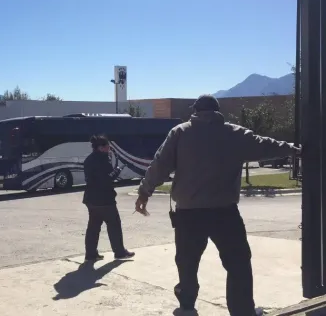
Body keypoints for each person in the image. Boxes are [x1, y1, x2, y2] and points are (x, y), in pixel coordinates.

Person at [135, 95, 300, 316]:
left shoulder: (180, 132)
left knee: (187, 263)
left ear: (195, 110)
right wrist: (294, 148)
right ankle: (242, 310)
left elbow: (160, 165)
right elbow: (266, 145)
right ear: (218, 111)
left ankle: (186, 308)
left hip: (188, 214)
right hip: (225, 213)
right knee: (238, 263)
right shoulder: (234, 133)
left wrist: (144, 191)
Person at [83, 134, 135, 261]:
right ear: (101, 148)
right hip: (105, 199)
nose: (109, 148)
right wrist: (116, 171)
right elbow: (107, 179)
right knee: (114, 225)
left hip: (91, 199)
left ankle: (91, 254)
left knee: (93, 227)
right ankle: (119, 252)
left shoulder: (88, 160)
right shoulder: (103, 160)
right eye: (107, 146)